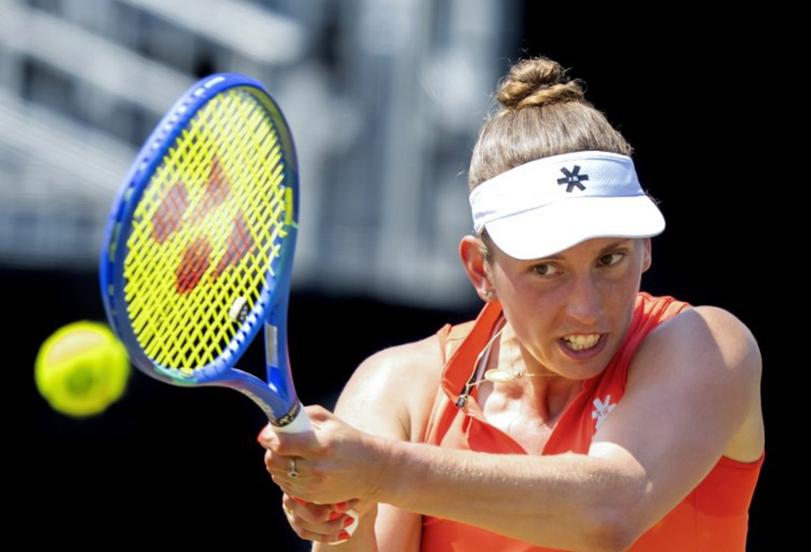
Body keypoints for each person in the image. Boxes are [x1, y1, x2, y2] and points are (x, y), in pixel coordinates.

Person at [257, 57, 765, 552]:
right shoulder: (400, 389)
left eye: (610, 258)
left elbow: (610, 510)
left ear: (645, 246)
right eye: (546, 268)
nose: (586, 308)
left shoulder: (709, 346)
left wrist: (382, 472)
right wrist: (351, 519)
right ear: (481, 269)